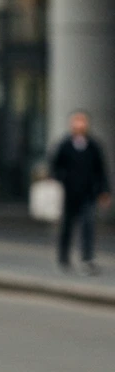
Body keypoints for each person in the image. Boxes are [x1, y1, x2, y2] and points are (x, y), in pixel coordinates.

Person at [50, 111, 111, 274]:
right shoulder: (65, 145)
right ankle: (64, 257)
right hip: (70, 194)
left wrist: (104, 191)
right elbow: (55, 167)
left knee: (88, 226)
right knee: (67, 227)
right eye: (76, 121)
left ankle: (87, 258)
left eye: (82, 121)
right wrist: (63, 179)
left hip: (88, 194)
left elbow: (101, 170)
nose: (79, 125)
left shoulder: (93, 146)